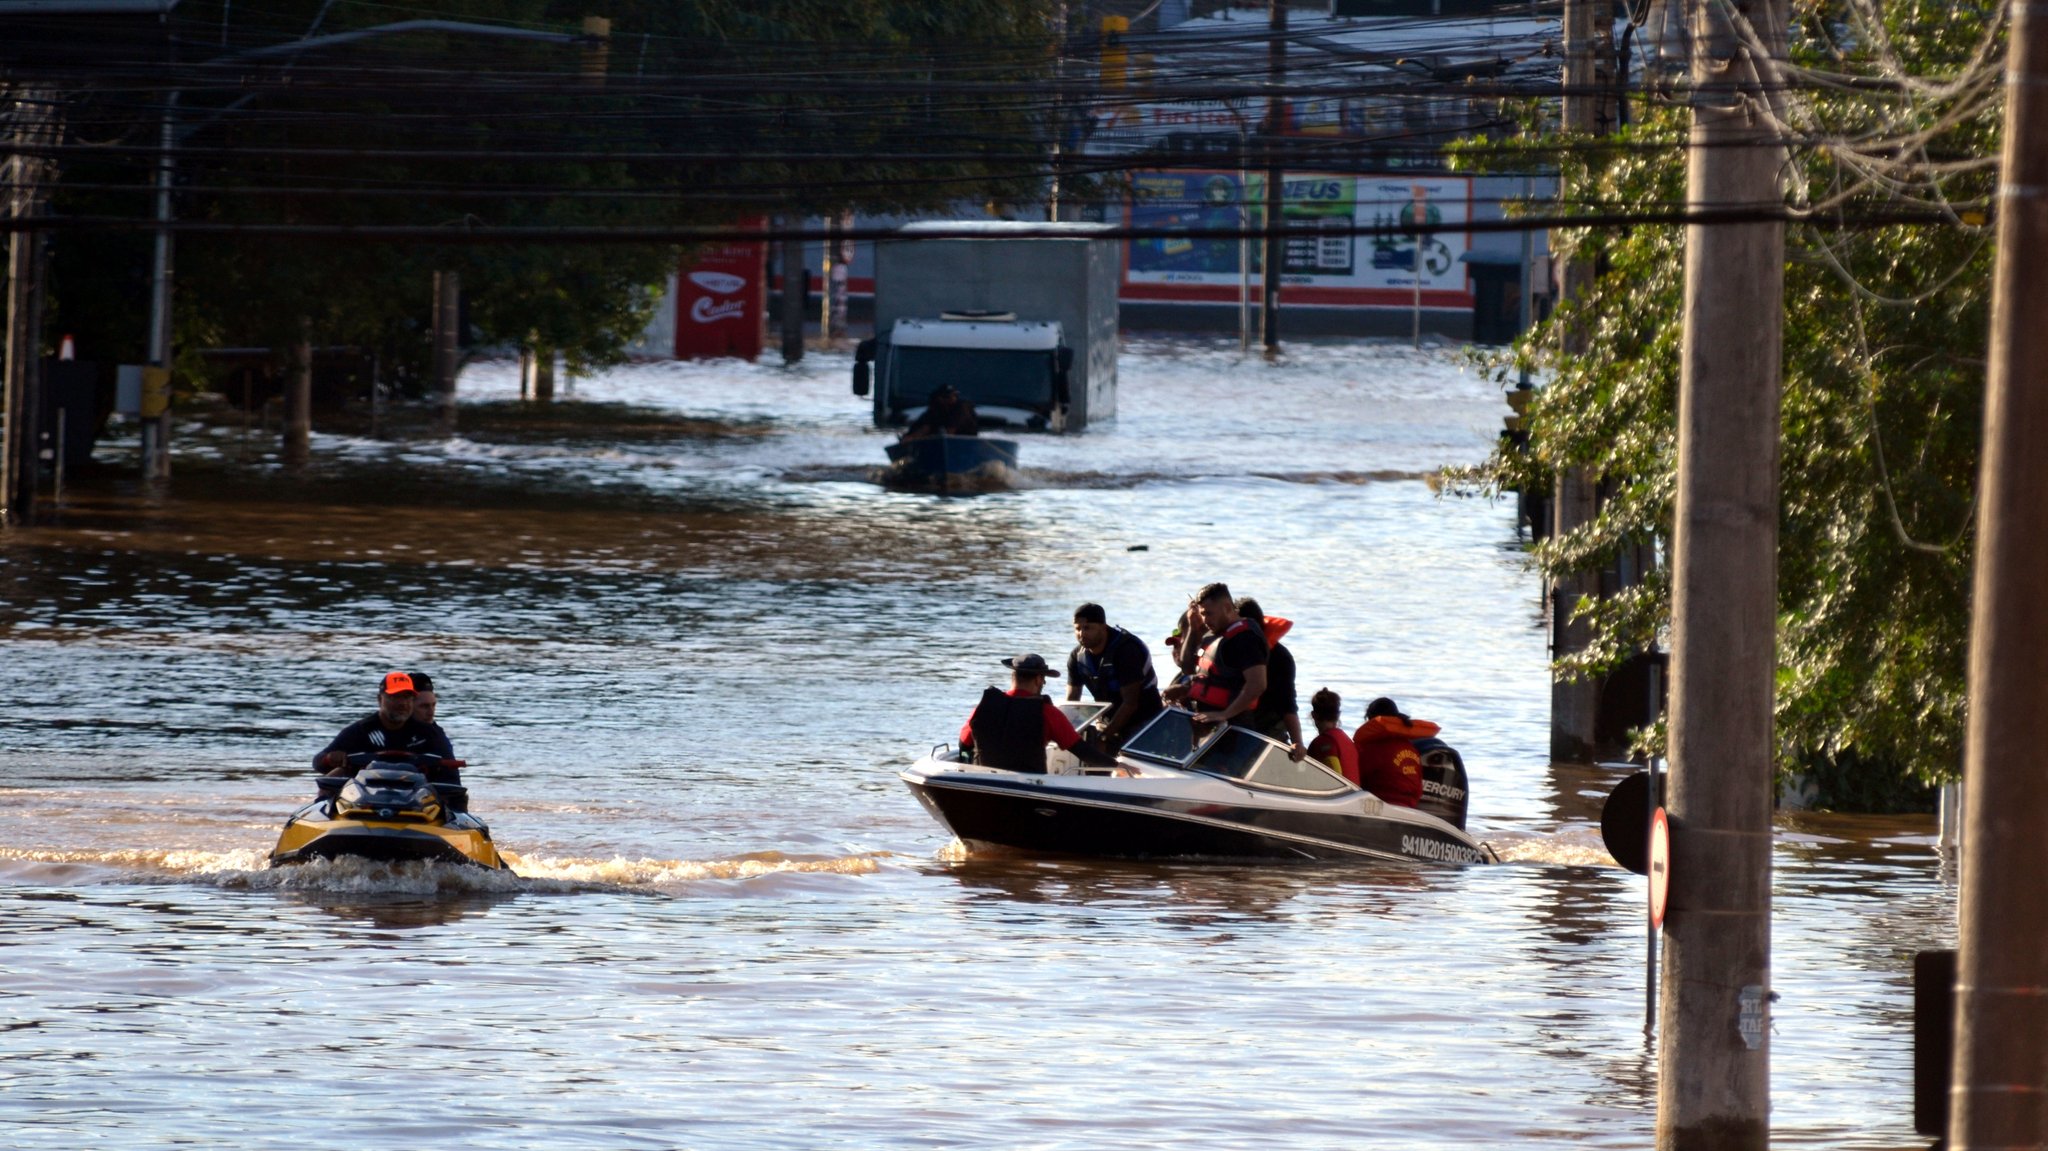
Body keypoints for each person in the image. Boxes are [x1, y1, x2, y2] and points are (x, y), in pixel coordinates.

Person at [960, 654, 1117, 774]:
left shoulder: (984, 706)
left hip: (984, 782)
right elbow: (1084, 753)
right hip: (1029, 786)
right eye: (1043, 679)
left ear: (1013, 677)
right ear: (1038, 679)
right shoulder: (1047, 713)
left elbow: (964, 744)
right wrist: (1118, 765)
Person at [314, 671, 457, 782]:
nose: (402, 703)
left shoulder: (430, 734)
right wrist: (330, 758)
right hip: (364, 801)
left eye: (407, 697)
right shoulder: (360, 730)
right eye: (395, 697)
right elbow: (318, 763)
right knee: (333, 778)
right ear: (379, 699)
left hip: (418, 801)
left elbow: (452, 778)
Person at [1160, 583, 1267, 729]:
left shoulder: (1245, 638)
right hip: (1206, 721)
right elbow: (1188, 667)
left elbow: (1257, 685)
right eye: (1202, 614)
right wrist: (1192, 627)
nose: (1205, 620)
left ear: (1228, 608)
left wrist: (1225, 714)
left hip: (1233, 726)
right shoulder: (1215, 634)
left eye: (1209, 613)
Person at [1065, 603, 1163, 745]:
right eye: (1077, 629)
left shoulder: (1126, 651)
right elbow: (1072, 700)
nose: (1082, 634)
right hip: (1107, 719)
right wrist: (1067, 733)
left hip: (1144, 721)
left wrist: (1104, 738)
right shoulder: (1077, 656)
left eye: (1087, 628)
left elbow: (1130, 703)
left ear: (1103, 627)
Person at [1234, 597, 1303, 751]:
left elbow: (1288, 704)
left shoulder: (1280, 657)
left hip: (1266, 730)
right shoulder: (1227, 647)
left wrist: (1298, 742)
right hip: (1231, 723)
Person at [1352, 696, 1437, 807]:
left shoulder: (1371, 749)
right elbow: (1418, 789)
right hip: (1410, 809)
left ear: (1372, 721)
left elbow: (1355, 780)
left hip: (1383, 808)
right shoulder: (1411, 748)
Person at [1304, 688, 1360, 784]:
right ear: (1338, 715)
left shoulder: (1322, 742)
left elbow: (1335, 780)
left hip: (1341, 798)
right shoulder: (1346, 740)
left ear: (1313, 715)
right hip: (1354, 796)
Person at [901, 383, 979, 440]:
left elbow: (951, 430)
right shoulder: (935, 410)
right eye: (947, 397)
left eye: (954, 396)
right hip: (934, 446)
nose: (951, 399)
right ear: (939, 398)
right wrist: (911, 437)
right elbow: (924, 425)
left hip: (963, 443)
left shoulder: (962, 408)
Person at [407, 670, 454, 757]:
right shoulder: (382, 727)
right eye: (424, 706)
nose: (431, 712)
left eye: (433, 705)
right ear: (407, 705)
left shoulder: (437, 735)